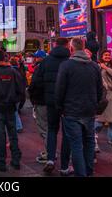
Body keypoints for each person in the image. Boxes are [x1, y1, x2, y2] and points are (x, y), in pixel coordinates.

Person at [56, 38, 103, 177]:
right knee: (88, 143)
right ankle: (88, 172)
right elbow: (100, 89)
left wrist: (60, 108)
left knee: (76, 144)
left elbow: (60, 90)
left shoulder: (66, 65)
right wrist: (95, 104)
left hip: (71, 111)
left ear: (71, 49)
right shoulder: (94, 66)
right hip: (89, 110)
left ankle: (81, 174)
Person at [32, 37, 72, 175]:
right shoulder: (70, 61)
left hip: (50, 101)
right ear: (67, 46)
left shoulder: (46, 61)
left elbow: (36, 82)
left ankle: (50, 159)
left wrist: (38, 98)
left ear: (54, 45)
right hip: (67, 102)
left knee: (52, 130)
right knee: (67, 133)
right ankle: (65, 165)